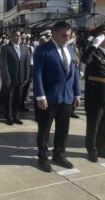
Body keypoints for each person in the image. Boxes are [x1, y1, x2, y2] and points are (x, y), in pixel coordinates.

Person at [32, 21, 80, 172]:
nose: (67, 38)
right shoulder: (43, 50)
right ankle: (43, 157)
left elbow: (75, 73)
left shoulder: (71, 50)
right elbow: (37, 74)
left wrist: (77, 93)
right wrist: (40, 96)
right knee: (44, 129)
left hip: (66, 97)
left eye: (69, 35)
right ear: (53, 34)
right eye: (63, 35)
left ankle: (59, 154)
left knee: (63, 129)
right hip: (48, 98)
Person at [82, 24, 105, 163]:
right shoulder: (93, 52)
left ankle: (103, 149)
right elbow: (84, 60)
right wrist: (94, 44)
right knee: (94, 125)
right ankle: (91, 150)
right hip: (96, 95)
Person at [0, 30, 31, 126]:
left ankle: (16, 116)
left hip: (21, 79)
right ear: (12, 37)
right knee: (9, 98)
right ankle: (8, 117)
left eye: (19, 36)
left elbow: (27, 64)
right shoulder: (6, 48)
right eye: (16, 36)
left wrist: (26, 77)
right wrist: (7, 77)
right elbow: (3, 64)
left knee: (18, 98)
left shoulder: (25, 49)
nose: (18, 37)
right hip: (10, 79)